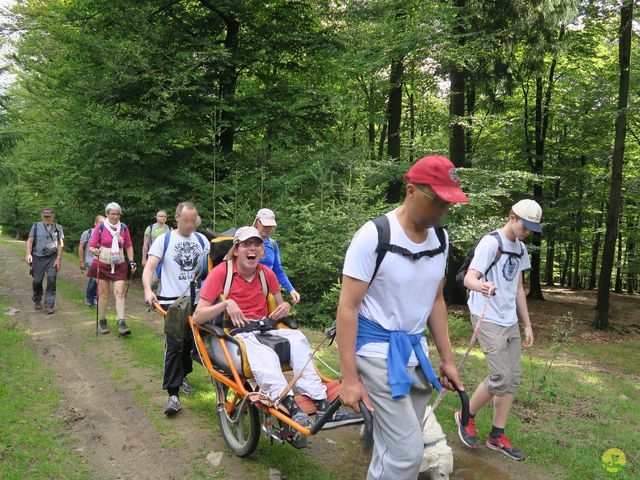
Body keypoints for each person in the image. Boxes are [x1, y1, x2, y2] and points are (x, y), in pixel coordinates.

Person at [337, 155, 469, 480]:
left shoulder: (441, 238)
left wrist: (447, 359)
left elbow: (435, 300)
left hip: (414, 352)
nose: (441, 211)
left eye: (448, 204)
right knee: (406, 453)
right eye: (435, 201)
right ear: (411, 191)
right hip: (376, 354)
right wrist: (350, 379)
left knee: (390, 449)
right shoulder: (374, 236)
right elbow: (348, 308)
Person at [194, 226, 360, 430]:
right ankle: (289, 405)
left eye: (256, 244)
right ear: (236, 249)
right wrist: (225, 304)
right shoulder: (221, 273)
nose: (252, 248)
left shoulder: (267, 274)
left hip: (265, 329)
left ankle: (321, 402)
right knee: (266, 356)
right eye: (246, 244)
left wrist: (285, 306)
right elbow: (197, 317)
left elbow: (280, 307)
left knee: (298, 338)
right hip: (234, 334)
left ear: (262, 251)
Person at [458, 199, 540, 461]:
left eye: (531, 228)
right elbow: (470, 277)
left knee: (512, 379)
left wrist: (527, 324)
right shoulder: (490, 242)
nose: (527, 231)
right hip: (488, 316)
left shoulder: (522, 248)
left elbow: (518, 289)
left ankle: (497, 436)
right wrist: (481, 286)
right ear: (512, 217)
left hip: (509, 320)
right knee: (499, 376)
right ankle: (466, 415)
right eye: (525, 226)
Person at [142, 202, 210, 416]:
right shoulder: (165, 240)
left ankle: (182, 377)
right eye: (187, 220)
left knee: (193, 345)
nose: (191, 224)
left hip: (199, 301)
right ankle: (173, 395)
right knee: (174, 346)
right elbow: (150, 268)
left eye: (194, 220)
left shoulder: (202, 240)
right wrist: (147, 289)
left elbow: (214, 268)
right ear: (177, 218)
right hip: (172, 302)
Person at [87, 202, 136, 336]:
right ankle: (102, 321)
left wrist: (131, 261)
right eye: (112, 214)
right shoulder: (101, 228)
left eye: (117, 214)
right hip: (102, 263)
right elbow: (91, 246)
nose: (115, 216)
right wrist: (94, 251)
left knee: (120, 292)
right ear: (107, 214)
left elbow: (129, 246)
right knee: (103, 294)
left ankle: (121, 322)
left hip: (119, 264)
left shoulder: (124, 228)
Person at [253, 208, 300, 304]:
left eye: (270, 226)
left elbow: (278, 270)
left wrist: (291, 290)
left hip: (267, 293)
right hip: (246, 292)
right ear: (257, 222)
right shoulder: (245, 241)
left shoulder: (272, 244)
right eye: (265, 225)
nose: (268, 228)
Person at [25, 207, 64, 314]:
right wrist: (28, 254)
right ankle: (37, 300)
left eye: (49, 216)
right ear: (42, 216)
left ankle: (49, 305)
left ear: (53, 216)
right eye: (45, 216)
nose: (47, 218)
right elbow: (30, 240)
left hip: (52, 257)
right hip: (38, 257)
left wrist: (59, 258)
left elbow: (61, 244)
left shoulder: (58, 227)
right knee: (37, 281)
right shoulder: (36, 226)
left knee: (51, 278)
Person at [78, 215, 105, 307]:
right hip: (90, 260)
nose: (102, 225)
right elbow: (81, 247)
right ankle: (89, 298)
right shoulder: (88, 233)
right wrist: (81, 261)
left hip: (102, 260)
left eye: (104, 224)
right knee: (94, 278)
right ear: (95, 223)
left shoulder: (106, 233)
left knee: (99, 280)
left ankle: (94, 298)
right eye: (100, 223)